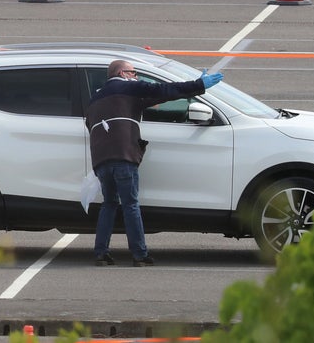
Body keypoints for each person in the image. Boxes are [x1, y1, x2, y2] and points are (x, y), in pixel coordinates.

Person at [85, 59, 223, 267]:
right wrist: (198, 85)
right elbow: (162, 89)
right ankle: (139, 254)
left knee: (109, 204)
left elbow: (95, 122)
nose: (136, 77)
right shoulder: (127, 87)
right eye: (134, 73)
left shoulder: (96, 98)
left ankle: (101, 253)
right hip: (124, 156)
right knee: (131, 205)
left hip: (101, 160)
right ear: (123, 73)